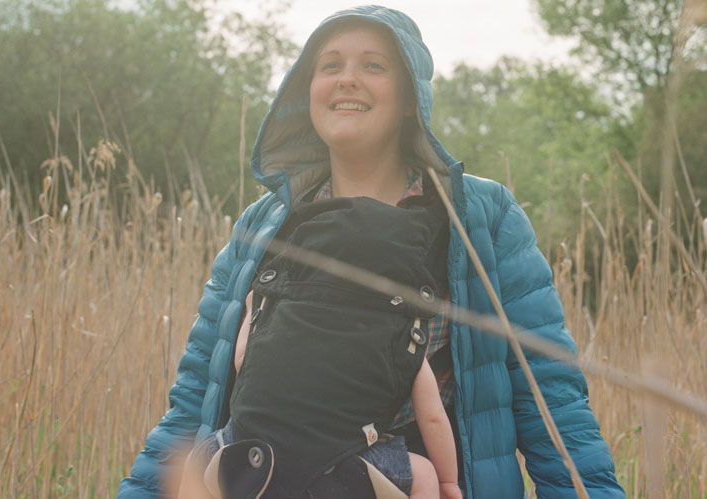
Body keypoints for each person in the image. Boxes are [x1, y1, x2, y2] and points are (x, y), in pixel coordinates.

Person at [118, 5, 625, 498]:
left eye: (374, 66)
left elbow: (553, 403)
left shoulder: (481, 218)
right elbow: (194, 403)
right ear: (306, 90)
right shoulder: (263, 226)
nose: (347, 79)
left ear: (411, 97)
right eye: (330, 65)